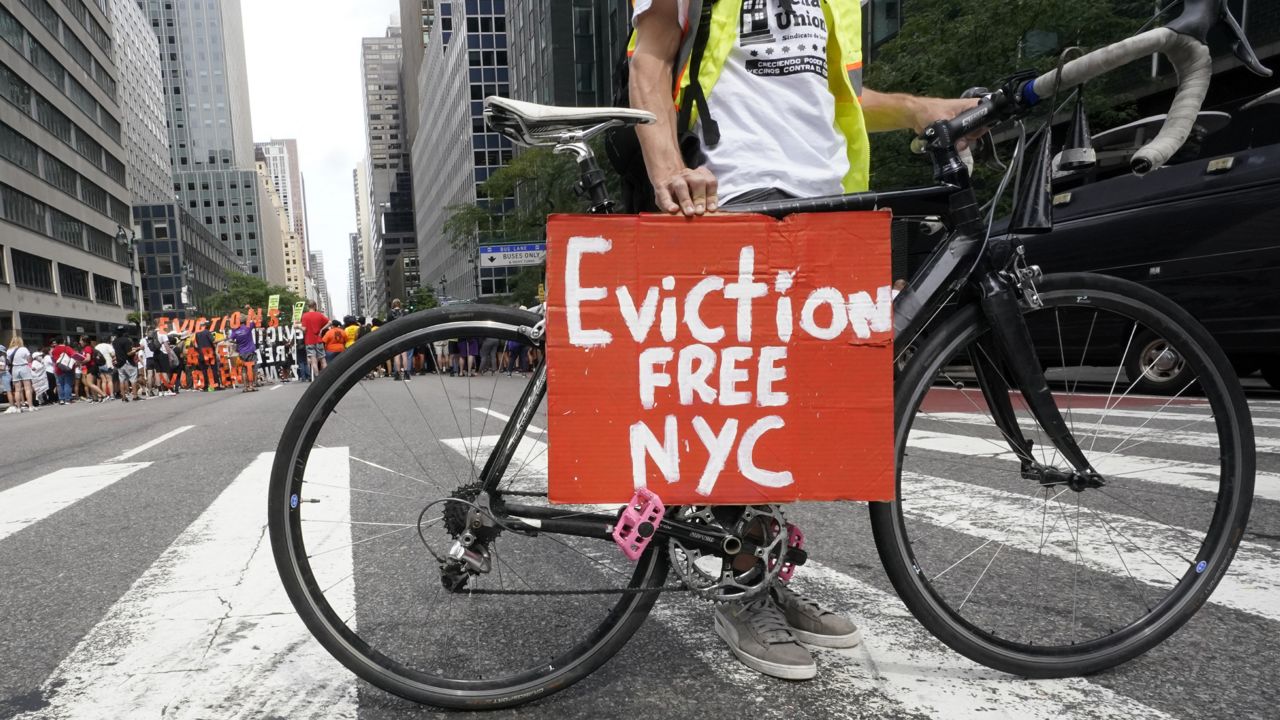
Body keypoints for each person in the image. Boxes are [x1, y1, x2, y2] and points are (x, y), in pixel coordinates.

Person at [630, 0, 979, 680]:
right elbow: (650, 59)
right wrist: (670, 171)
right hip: (730, 187)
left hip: (826, 196)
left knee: (781, 412)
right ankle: (739, 585)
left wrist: (915, 107)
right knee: (742, 401)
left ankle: (757, 568)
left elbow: (831, 93)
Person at [229, 307, 259, 392]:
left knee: (244, 370)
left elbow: (231, 340)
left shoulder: (235, 331)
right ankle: (252, 385)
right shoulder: (248, 327)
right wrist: (251, 309)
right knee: (253, 369)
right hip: (250, 351)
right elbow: (256, 319)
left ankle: (245, 387)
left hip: (242, 353)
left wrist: (237, 342)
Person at [6, 336, 35, 412]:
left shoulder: (9, 351)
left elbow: (8, 361)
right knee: (27, 388)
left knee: (17, 390)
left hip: (15, 368)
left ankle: (18, 408)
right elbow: (29, 359)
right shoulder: (24, 349)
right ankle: (30, 406)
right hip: (24, 367)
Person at [301, 300, 328, 381]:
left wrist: (298, 327)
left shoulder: (304, 316)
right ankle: (327, 377)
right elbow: (329, 322)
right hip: (318, 340)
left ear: (308, 306)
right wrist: (321, 330)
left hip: (309, 341)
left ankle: (317, 379)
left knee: (313, 362)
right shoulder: (319, 314)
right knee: (323, 360)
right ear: (315, 306)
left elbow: (304, 329)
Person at [112, 325, 140, 402]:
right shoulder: (126, 340)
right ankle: (135, 396)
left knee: (122, 380)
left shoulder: (114, 342)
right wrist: (137, 349)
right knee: (133, 379)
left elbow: (119, 352)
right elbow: (128, 353)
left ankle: (123, 397)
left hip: (119, 362)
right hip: (128, 362)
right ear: (124, 332)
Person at [50, 337, 81, 405]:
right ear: (63, 341)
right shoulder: (67, 348)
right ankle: (67, 399)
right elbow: (74, 355)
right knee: (67, 384)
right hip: (68, 368)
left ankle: (61, 399)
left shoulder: (54, 350)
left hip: (58, 368)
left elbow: (53, 360)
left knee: (60, 384)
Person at [388, 299, 413, 381]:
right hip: (403, 334)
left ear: (393, 304)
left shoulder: (390, 313)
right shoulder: (405, 312)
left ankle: (397, 374)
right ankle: (406, 373)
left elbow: (388, 326)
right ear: (399, 304)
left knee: (396, 355)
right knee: (404, 355)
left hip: (394, 336)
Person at [95, 335, 117, 400]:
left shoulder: (97, 346)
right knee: (109, 380)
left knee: (103, 381)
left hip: (100, 365)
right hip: (108, 364)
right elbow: (113, 354)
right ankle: (112, 395)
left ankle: (105, 395)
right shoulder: (108, 346)